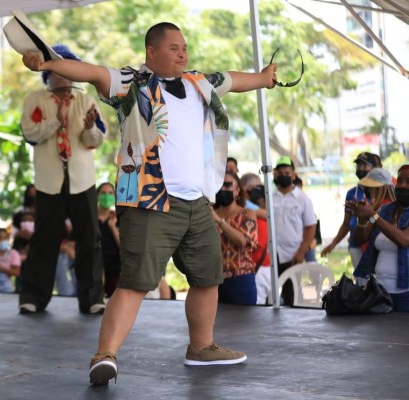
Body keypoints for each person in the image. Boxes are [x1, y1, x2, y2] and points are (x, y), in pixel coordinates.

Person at [19, 22, 277, 384]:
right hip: (149, 199)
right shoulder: (132, 82)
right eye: (173, 48)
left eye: (184, 47)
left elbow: (234, 79)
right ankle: (104, 356)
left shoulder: (198, 81)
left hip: (197, 201)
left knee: (207, 277)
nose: (182, 53)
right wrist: (49, 65)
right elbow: (91, 72)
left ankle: (201, 346)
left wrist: (264, 78)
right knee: (136, 282)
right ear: (151, 52)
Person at [18, 44, 106, 316]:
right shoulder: (36, 100)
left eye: (70, 70)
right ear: (49, 74)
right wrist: (55, 121)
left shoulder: (86, 100)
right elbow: (30, 134)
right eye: (60, 71)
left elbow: (97, 140)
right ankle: (33, 297)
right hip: (49, 182)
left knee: (89, 239)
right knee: (45, 239)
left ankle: (92, 298)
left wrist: (90, 127)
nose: (66, 78)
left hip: (82, 181)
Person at [352, 164, 409, 311]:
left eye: (408, 182)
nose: (402, 186)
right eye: (400, 181)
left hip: (405, 294)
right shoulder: (386, 210)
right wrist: (362, 220)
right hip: (378, 292)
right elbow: (361, 238)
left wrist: (372, 215)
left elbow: (404, 240)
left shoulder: (378, 214)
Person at [321, 152, 381, 268]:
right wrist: (333, 244)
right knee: (360, 282)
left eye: (364, 166)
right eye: (358, 165)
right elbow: (346, 224)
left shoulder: (382, 191)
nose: (360, 169)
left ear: (375, 169)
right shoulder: (352, 193)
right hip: (355, 245)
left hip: (375, 245)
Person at [272, 156, 317, 306]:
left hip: (292, 254)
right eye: (281, 173)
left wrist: (301, 252)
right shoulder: (269, 197)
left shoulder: (303, 199)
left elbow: (311, 227)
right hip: (271, 253)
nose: (284, 176)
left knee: (292, 296)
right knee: (269, 295)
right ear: (275, 174)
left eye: (287, 172)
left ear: (294, 174)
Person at [212, 172, 258, 304]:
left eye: (227, 186)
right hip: (214, 281)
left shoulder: (247, 214)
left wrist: (220, 222)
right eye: (219, 186)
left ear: (237, 190)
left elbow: (242, 241)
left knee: (243, 323)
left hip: (241, 280)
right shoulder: (209, 214)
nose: (222, 190)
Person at [248, 185, 272, 305]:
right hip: (264, 267)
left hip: (259, 268)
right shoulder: (266, 218)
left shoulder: (260, 220)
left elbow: (259, 245)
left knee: (258, 305)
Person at [97, 182, 120, 297]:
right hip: (94, 268)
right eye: (103, 193)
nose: (107, 196)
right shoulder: (90, 219)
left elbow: (123, 246)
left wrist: (112, 226)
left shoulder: (118, 218)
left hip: (115, 269)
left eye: (110, 193)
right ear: (97, 196)